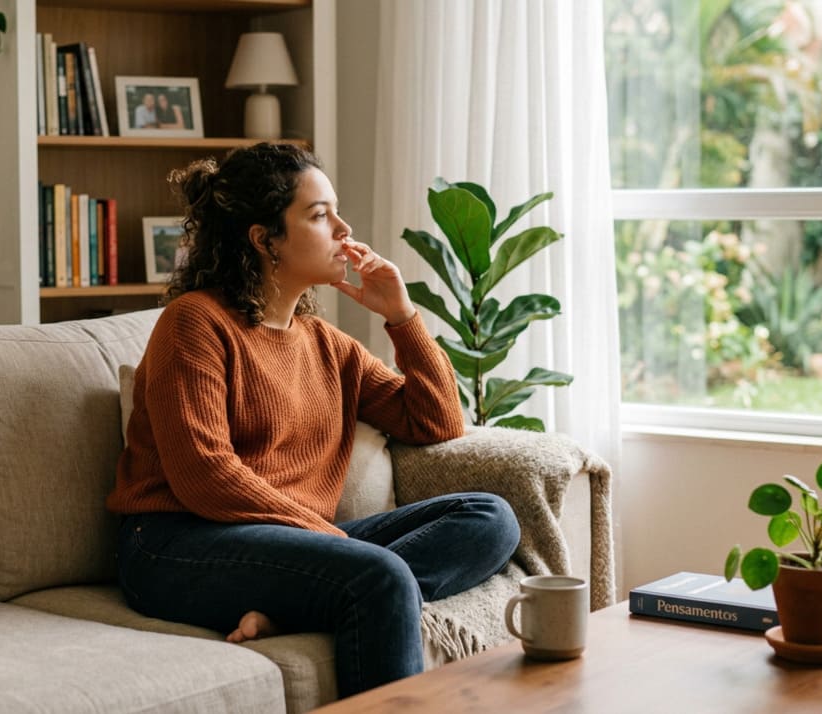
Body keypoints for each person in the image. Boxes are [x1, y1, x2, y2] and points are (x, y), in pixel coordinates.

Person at [106, 142, 520, 698]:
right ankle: (345, 590)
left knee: (491, 518)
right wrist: (345, 548)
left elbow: (438, 422)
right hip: (173, 544)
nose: (344, 228)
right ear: (264, 239)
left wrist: (401, 316)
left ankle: (298, 609)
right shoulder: (195, 324)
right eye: (321, 215)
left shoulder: (326, 344)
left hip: (290, 540)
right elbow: (205, 474)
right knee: (381, 575)